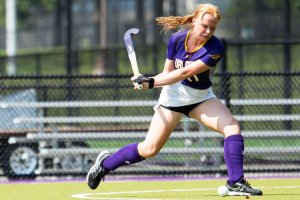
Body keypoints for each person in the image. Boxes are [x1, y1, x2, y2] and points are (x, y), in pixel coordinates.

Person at [87, 3, 262, 196]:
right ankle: (104, 165)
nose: (208, 31)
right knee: (149, 149)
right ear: (194, 21)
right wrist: (145, 81)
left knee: (232, 127)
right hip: (173, 98)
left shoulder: (216, 47)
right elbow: (167, 73)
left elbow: (185, 72)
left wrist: (151, 82)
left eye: (212, 28)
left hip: (200, 98)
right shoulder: (177, 40)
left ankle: (235, 182)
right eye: (204, 25)